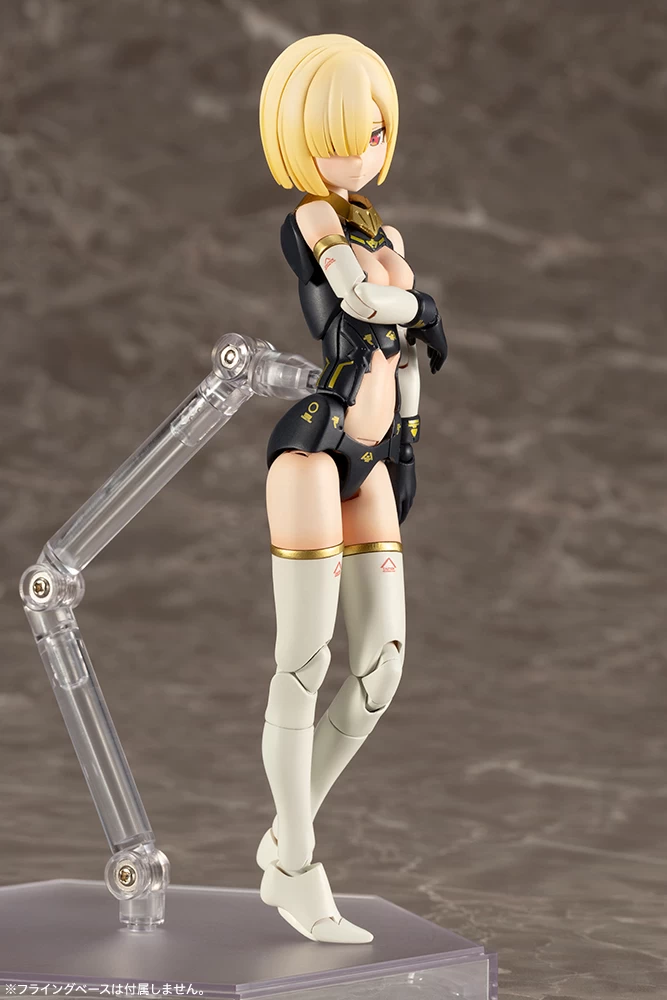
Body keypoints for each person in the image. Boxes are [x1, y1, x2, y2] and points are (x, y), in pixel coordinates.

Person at [256, 33, 447, 944]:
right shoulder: (312, 222)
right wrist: (426, 306)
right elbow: (365, 306)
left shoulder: (384, 232)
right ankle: (297, 867)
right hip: (315, 443)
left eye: (371, 133)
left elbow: (402, 361)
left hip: (371, 452)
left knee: (379, 670)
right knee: (304, 662)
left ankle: (283, 838)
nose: (360, 154)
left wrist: (406, 445)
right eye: (336, 137)